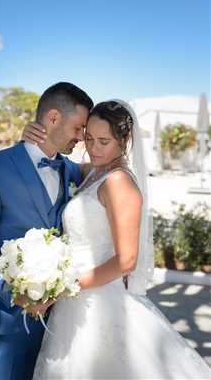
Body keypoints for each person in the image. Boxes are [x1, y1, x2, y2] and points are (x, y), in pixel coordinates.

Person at [23, 101, 210, 379]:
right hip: (75, 301)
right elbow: (55, 163)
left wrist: (61, 289)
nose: (94, 148)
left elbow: (127, 260)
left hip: (98, 301)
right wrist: (31, 140)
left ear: (125, 141)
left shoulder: (119, 182)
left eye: (104, 141)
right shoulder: (96, 171)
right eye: (88, 138)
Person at [0, 82, 93, 380]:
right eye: (79, 128)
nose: (81, 138)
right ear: (54, 118)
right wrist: (14, 293)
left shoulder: (72, 171)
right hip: (8, 320)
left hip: (61, 321)